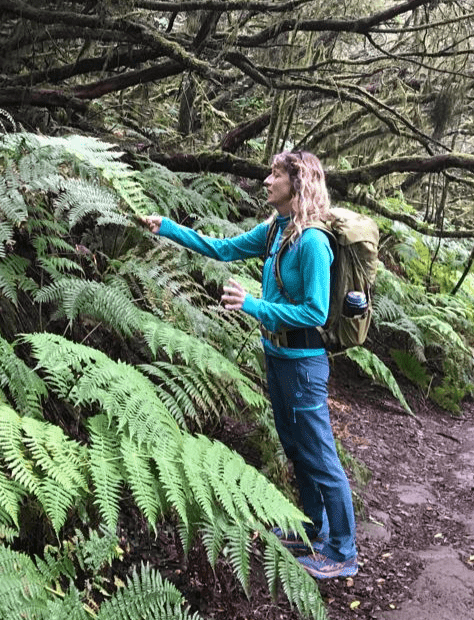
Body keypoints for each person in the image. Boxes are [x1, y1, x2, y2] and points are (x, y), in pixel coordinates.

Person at [140, 150, 359, 580]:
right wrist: (166, 227)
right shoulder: (277, 230)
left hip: (303, 364)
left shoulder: (313, 242)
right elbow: (221, 249)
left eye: (275, 174)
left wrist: (254, 305)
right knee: (296, 450)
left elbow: (315, 312)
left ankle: (343, 550)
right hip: (277, 358)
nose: (265, 181)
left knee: (321, 457)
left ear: (297, 184)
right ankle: (315, 532)